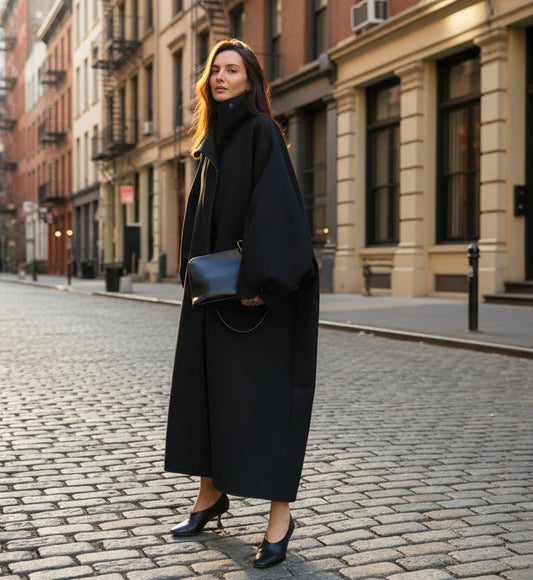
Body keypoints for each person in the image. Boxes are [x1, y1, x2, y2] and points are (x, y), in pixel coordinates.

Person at [165, 39, 319, 569]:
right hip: (213, 298)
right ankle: (210, 495)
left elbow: (277, 216)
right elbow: (199, 223)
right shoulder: (210, 142)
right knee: (208, 396)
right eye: (215, 70)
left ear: (252, 81)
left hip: (259, 300)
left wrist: (261, 283)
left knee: (269, 409)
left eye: (233, 70)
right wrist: (191, 277)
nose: (221, 78)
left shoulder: (260, 134)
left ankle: (280, 521)